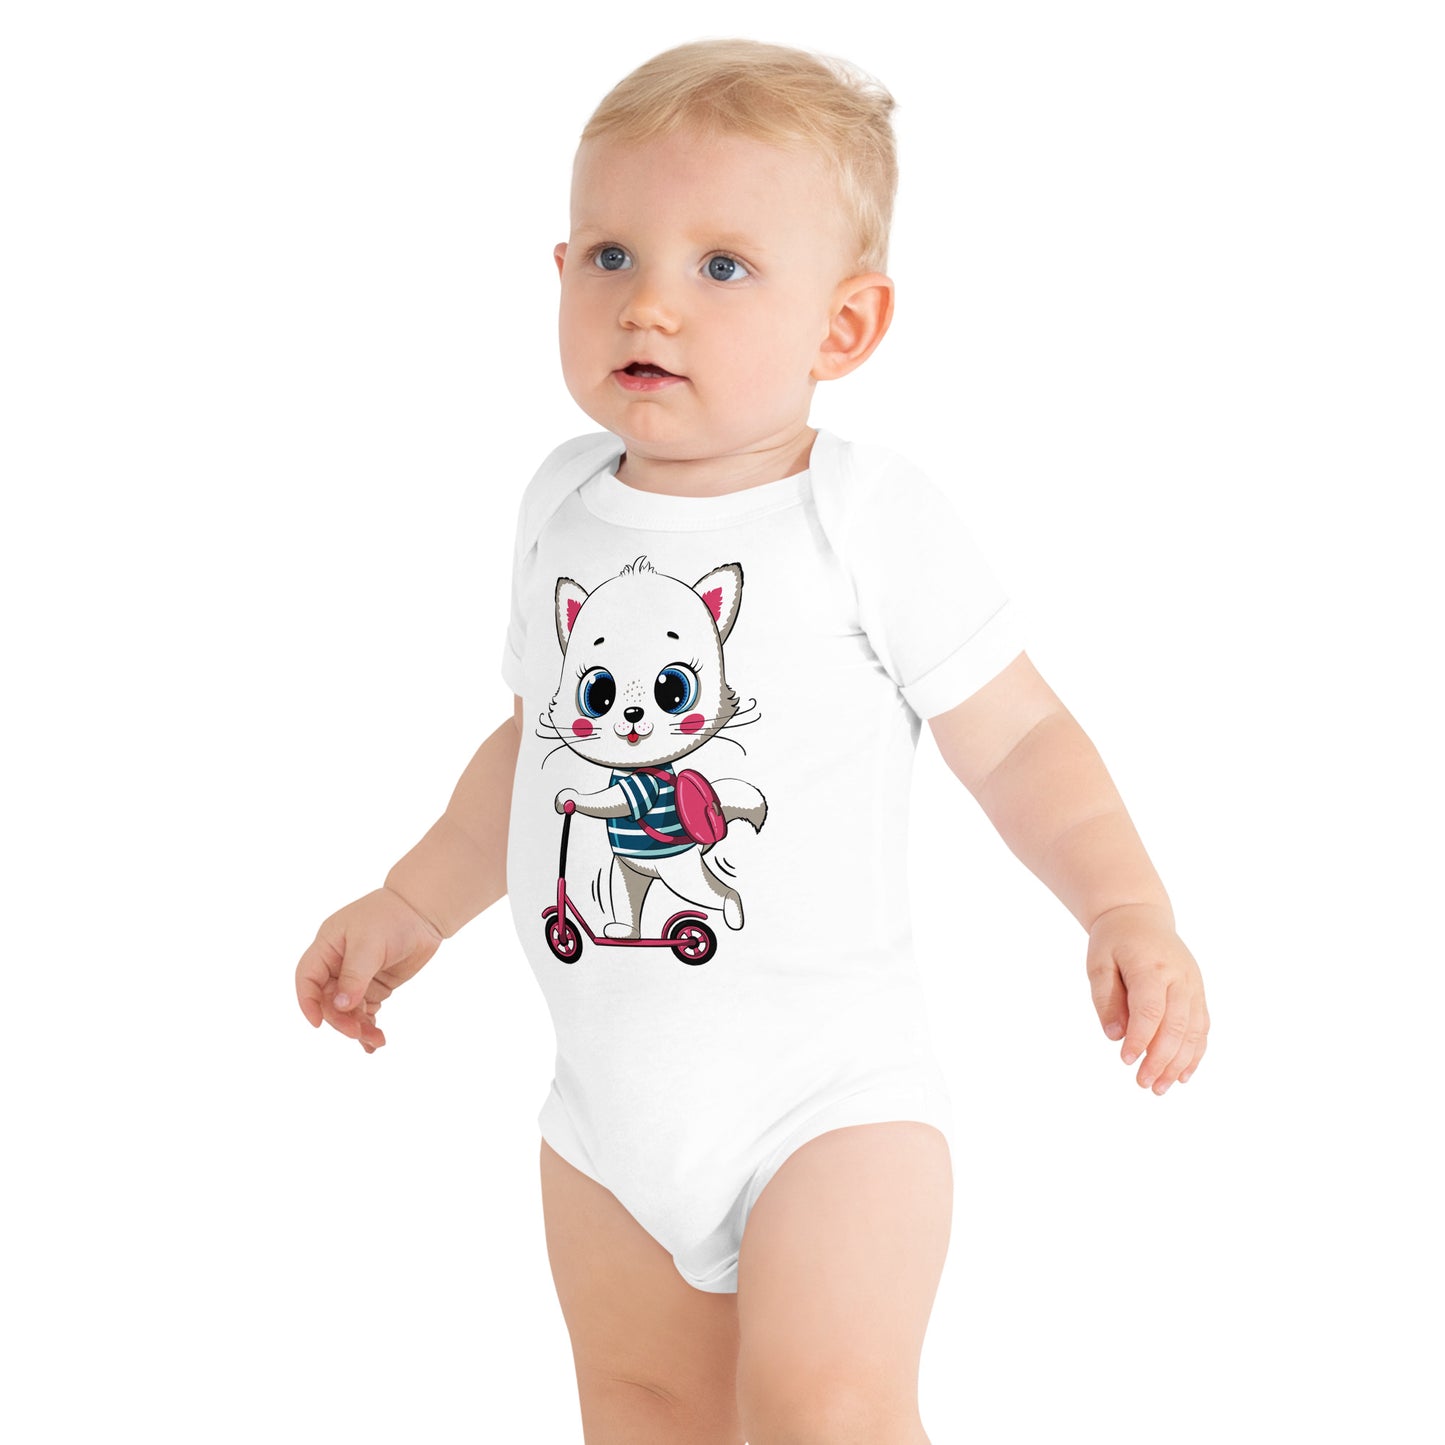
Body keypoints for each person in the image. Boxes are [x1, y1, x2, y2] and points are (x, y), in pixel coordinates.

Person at [294, 37, 1210, 1445]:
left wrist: (1123, 904)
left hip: (828, 1103)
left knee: (826, 1411)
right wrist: (413, 899)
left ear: (843, 328)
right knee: (643, 1410)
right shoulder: (560, 506)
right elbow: (540, 747)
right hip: (605, 1117)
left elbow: (1021, 734)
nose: (650, 299)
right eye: (611, 255)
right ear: (558, 272)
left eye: (721, 265)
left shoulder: (863, 515)